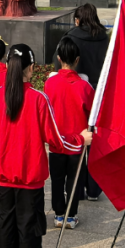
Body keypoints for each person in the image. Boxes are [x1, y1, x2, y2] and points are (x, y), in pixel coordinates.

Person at [0, 43, 92, 248]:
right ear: (31, 68)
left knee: (6, 225)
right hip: (30, 178)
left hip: (3, 177)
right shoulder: (37, 99)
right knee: (28, 227)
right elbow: (55, 139)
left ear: (7, 66)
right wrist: (80, 139)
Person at [54, 4, 108, 202]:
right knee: (95, 140)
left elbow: (58, 65)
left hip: (76, 93)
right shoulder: (105, 38)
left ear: (77, 20)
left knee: (78, 140)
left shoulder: (70, 37)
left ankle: (77, 190)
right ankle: (94, 189)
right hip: (100, 94)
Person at [45, 37, 99, 229]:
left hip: (56, 142)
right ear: (77, 60)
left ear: (59, 58)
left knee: (57, 181)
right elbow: (93, 115)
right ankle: (71, 216)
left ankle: (58, 215)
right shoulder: (85, 87)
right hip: (78, 143)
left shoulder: (49, 84)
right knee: (74, 182)